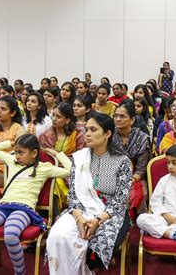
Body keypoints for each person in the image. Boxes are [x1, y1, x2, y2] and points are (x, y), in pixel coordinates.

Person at [0, 134, 72, 275]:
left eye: (21, 153)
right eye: (16, 152)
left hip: (24, 209)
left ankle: (20, 272)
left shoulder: (44, 168)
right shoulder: (12, 161)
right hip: (3, 206)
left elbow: (70, 171)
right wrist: (10, 143)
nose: (16, 156)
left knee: (10, 235)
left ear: (34, 153)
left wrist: (58, 154)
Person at [46, 112, 132, 274]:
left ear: (107, 134)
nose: (88, 134)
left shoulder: (122, 161)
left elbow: (121, 201)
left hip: (110, 213)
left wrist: (97, 221)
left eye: (93, 130)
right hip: (81, 210)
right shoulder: (79, 159)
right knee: (58, 236)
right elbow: (73, 195)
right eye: (86, 130)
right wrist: (79, 219)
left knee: (95, 251)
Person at [112, 100, 151, 218]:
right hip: (111, 176)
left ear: (132, 120)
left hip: (135, 178)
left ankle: (131, 227)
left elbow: (141, 169)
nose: (118, 119)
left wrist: (128, 180)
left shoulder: (142, 138)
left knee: (134, 194)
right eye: (116, 116)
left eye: (122, 116)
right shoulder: (108, 135)